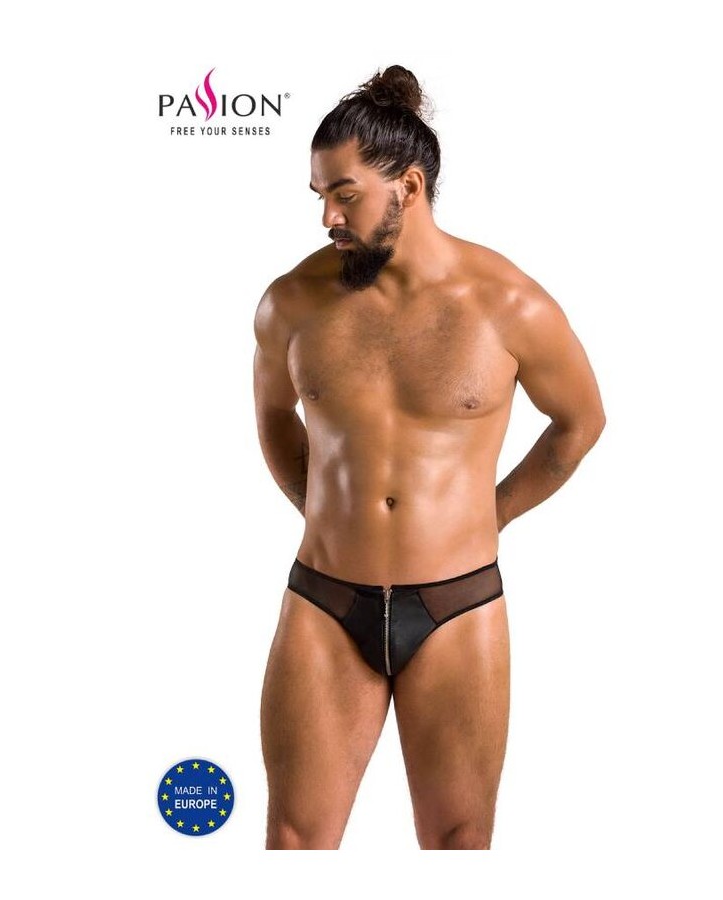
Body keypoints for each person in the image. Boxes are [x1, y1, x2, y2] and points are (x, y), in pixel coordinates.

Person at [252, 64, 605, 850]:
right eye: (319, 195)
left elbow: (579, 422)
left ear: (408, 187)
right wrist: (323, 510)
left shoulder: (509, 304)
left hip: (458, 606)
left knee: (457, 843)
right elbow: (274, 418)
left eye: (344, 195)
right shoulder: (291, 302)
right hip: (324, 601)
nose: (327, 217)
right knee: (295, 840)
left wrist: (493, 513)